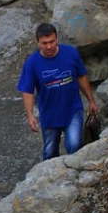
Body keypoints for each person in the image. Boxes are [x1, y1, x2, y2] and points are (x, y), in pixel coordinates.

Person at [17, 22, 98, 161]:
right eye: (44, 43)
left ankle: (74, 172)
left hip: (72, 110)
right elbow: (27, 90)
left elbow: (81, 76)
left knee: (74, 146)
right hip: (49, 115)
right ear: (38, 42)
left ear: (57, 39)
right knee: (50, 152)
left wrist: (91, 101)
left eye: (52, 41)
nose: (49, 46)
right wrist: (30, 115)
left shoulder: (71, 53)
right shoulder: (32, 63)